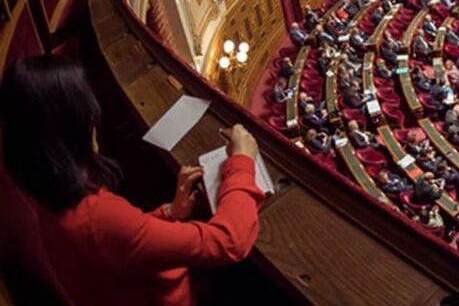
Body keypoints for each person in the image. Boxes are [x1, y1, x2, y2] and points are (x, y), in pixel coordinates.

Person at [0, 56, 264, 306]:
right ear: (73, 126)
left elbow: (122, 244)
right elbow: (230, 242)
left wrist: (170, 212)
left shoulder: (48, 192)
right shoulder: (97, 216)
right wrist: (241, 161)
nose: (94, 116)